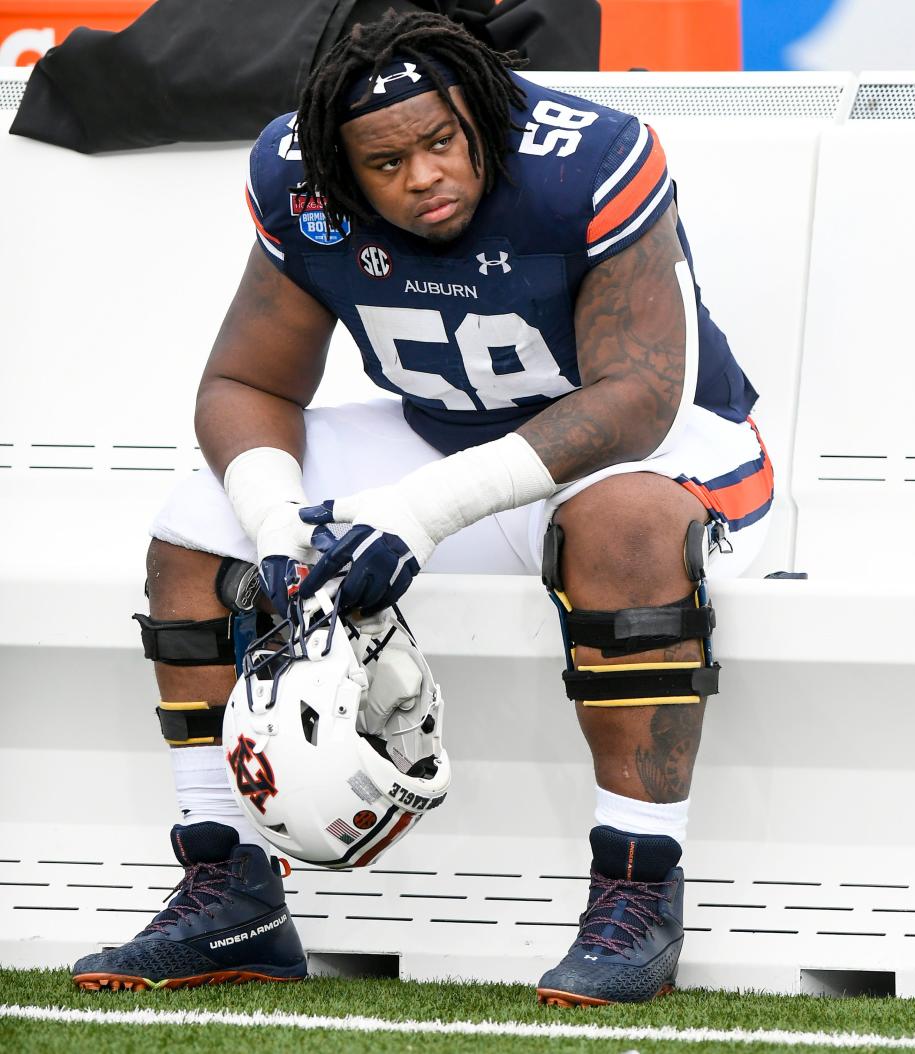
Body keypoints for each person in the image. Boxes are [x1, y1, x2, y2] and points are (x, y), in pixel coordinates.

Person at [70, 9, 773, 1003]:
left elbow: (635, 395)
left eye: (442, 141)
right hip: (446, 432)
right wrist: (277, 522)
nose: (424, 176)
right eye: (388, 163)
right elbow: (242, 383)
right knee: (198, 525)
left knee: (623, 529)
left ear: (480, 113)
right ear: (343, 171)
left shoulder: (590, 158)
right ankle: (229, 882)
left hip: (649, 444)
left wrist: (421, 509)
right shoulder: (299, 175)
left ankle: (638, 890)